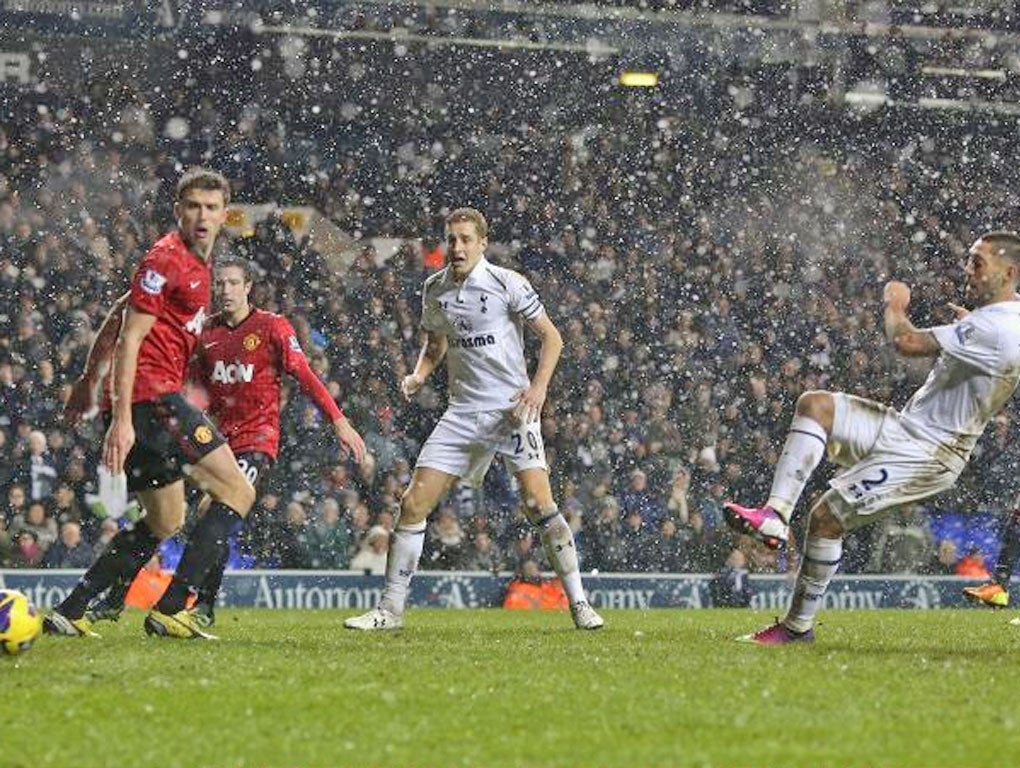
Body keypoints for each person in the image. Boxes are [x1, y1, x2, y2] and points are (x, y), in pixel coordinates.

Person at [724, 232, 1020, 644]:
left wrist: (895, 303)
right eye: (969, 259)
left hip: (931, 451)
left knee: (825, 519)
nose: (967, 269)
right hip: (907, 427)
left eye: (978, 263)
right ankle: (774, 516)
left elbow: (906, 341)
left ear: (1009, 272)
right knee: (816, 405)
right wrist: (967, 330)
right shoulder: (1012, 316)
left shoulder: (993, 327)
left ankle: (796, 628)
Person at [345, 207, 604, 630]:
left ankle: (579, 604)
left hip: (512, 411)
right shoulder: (435, 288)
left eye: (466, 239)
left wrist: (538, 388)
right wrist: (419, 375)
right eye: (452, 239)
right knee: (412, 504)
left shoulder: (508, 283)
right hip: (463, 413)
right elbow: (435, 346)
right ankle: (389, 611)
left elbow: (551, 337)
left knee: (540, 504)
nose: (458, 247)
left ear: (482, 243)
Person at [82, 257, 365, 626]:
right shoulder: (207, 334)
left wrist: (339, 422)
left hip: (256, 441)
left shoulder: (272, 327)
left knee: (210, 511)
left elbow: (304, 374)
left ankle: (201, 606)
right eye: (221, 284)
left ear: (248, 287)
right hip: (211, 441)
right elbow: (194, 389)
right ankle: (116, 597)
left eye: (234, 283)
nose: (226, 290)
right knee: (164, 515)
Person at [44, 167, 256, 640]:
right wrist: (122, 419)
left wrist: (85, 379)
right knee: (239, 492)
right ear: (179, 210)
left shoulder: (194, 265)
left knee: (167, 519)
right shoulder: (168, 258)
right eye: (193, 206)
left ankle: (73, 610)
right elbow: (132, 337)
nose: (202, 216)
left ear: (225, 214)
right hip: (153, 401)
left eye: (211, 207)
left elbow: (121, 311)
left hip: (148, 404)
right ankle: (175, 608)